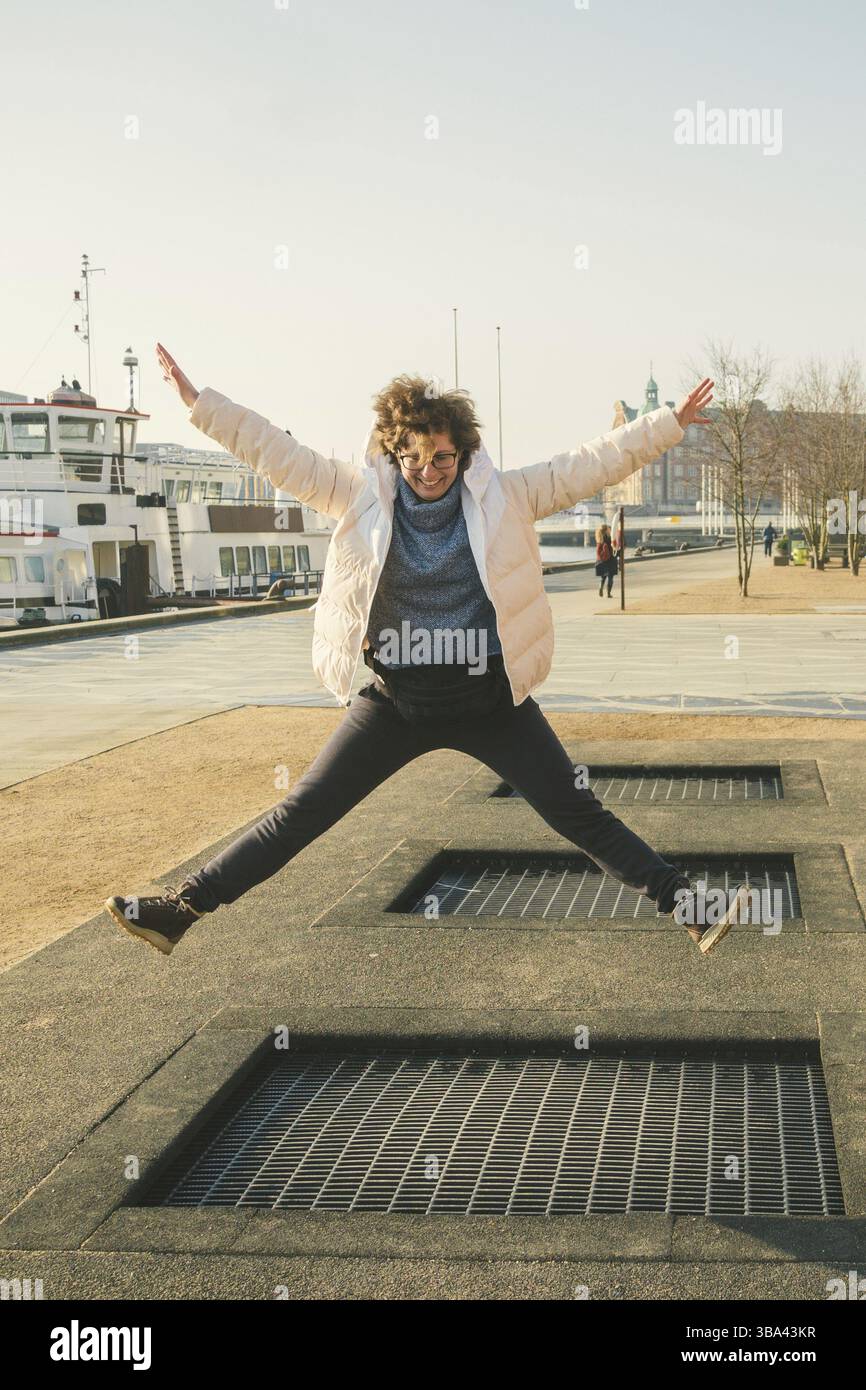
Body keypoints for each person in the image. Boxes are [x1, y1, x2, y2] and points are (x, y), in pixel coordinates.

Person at [105, 351, 746, 957]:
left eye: (442, 455)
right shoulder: (358, 495)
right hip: (396, 702)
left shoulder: (509, 497)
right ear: (394, 449)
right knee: (302, 811)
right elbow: (278, 454)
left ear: (464, 453)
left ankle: (692, 905)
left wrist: (667, 425)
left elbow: (592, 463)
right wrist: (200, 403)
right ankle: (181, 911)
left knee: (579, 812)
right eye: (412, 455)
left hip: (490, 701)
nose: (428, 468)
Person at [595, 523, 618, 597]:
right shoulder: (610, 538)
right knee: (610, 577)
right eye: (609, 529)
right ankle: (608, 593)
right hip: (610, 559)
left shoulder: (599, 538)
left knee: (603, 576)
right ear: (607, 530)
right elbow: (615, 547)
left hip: (602, 560)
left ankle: (600, 588)